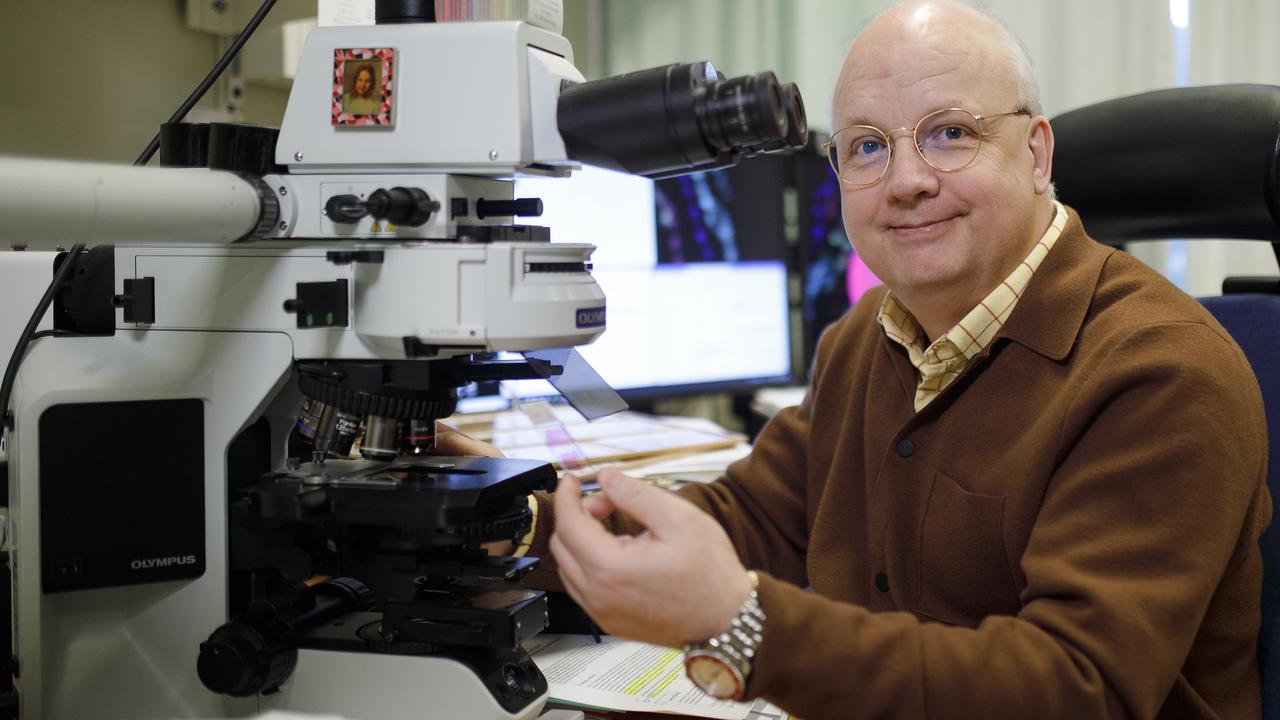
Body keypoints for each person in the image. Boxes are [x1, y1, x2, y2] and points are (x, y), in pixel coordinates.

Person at [443, 1, 1272, 717]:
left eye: (950, 134)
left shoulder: (1163, 373)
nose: (905, 179)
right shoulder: (869, 336)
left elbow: (1073, 690)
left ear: (1037, 155)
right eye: (867, 148)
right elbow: (751, 523)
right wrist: (513, 518)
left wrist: (745, 623)